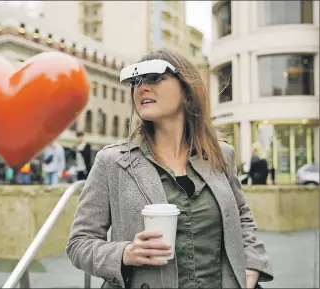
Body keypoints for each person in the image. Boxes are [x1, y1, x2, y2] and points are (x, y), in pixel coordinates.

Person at [66, 49, 273, 289]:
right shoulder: (112, 161)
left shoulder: (221, 154)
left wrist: (251, 267)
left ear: (186, 89)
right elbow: (79, 243)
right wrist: (125, 253)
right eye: (136, 81)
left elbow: (243, 219)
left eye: (154, 77)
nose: (141, 87)